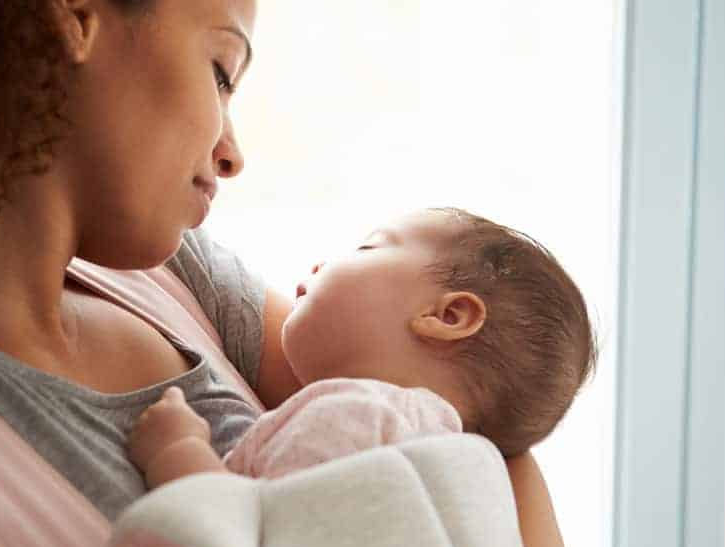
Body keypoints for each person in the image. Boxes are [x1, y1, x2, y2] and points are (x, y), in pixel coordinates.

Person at [0, 0, 570, 547]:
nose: (233, 152)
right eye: (220, 70)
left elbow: (474, 418)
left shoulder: (174, 276)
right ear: (76, 2)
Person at [130, 208, 595, 485]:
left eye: (368, 249)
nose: (323, 261)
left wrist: (178, 453)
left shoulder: (357, 422)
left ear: (447, 316)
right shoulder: (452, 466)